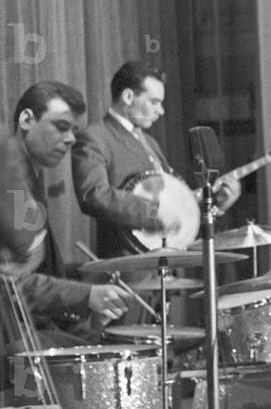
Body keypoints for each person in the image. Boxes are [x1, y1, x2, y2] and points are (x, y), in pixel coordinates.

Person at [0, 81, 132, 346]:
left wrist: (92, 294)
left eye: (73, 130)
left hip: (26, 331)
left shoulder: (30, 184)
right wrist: (86, 295)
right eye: (61, 127)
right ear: (27, 119)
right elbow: (12, 285)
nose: (71, 139)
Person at [72, 61, 240, 260]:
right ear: (128, 97)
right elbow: (94, 195)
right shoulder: (95, 137)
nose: (161, 111)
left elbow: (175, 203)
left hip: (166, 261)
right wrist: (153, 211)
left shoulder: (149, 142)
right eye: (154, 102)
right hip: (127, 265)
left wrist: (216, 204)